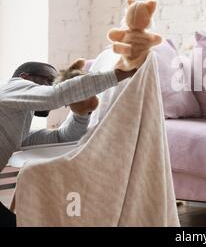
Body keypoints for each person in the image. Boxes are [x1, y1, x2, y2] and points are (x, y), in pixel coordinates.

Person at [0, 60, 137, 226]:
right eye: (50, 81)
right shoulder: (12, 87)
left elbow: (61, 138)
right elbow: (56, 95)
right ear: (24, 77)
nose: (53, 86)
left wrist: (81, 114)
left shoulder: (15, 119)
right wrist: (121, 73)